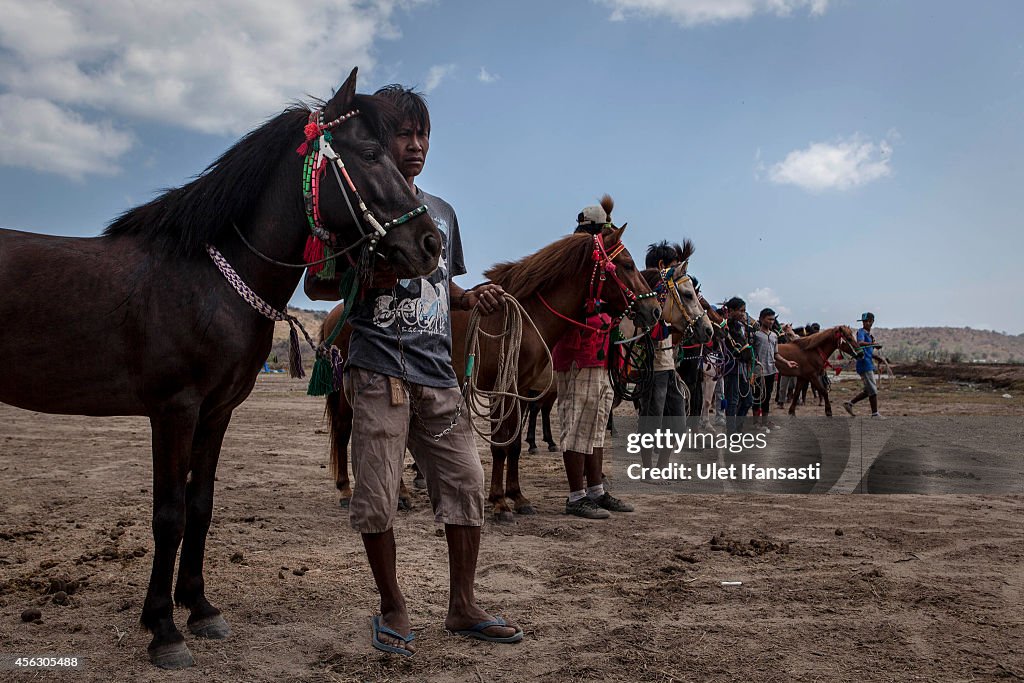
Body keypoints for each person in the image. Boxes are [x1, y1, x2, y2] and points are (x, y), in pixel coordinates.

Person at [306, 85, 520, 655]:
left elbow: (438, 278)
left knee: (467, 485)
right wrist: (365, 282)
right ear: (381, 140)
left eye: (423, 135)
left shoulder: (442, 213)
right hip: (377, 371)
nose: (417, 145)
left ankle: (463, 605)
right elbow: (315, 282)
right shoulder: (357, 203)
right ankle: (393, 606)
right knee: (377, 495)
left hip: (437, 374)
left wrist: (472, 298)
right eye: (405, 134)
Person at [553, 203, 635, 519]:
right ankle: (576, 496)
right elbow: (570, 307)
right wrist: (601, 314)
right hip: (577, 354)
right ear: (598, 230)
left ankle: (596, 490)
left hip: (597, 356)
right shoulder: (574, 261)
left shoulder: (596, 260)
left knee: (596, 426)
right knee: (577, 426)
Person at [752, 308, 798, 429]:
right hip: (758, 372)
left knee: (767, 398)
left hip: (771, 370)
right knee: (758, 397)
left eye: (773, 319)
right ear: (762, 319)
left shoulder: (774, 336)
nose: (771, 322)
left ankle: (765, 421)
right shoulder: (756, 335)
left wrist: (787, 362)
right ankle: (756, 422)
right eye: (769, 319)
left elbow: (775, 354)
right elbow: (751, 353)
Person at [722, 297, 755, 432]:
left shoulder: (741, 327)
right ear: (731, 311)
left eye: (744, 311)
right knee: (733, 400)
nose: (743, 314)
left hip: (742, 368)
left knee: (748, 400)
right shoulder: (726, 327)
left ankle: (738, 427)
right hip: (732, 368)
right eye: (741, 311)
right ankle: (731, 430)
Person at [844, 312, 884, 418]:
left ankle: (849, 404)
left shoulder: (870, 336)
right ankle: (875, 414)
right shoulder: (861, 332)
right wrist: (873, 344)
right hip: (864, 364)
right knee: (873, 390)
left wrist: (877, 358)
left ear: (872, 322)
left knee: (868, 390)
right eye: (864, 321)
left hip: (868, 363)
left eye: (867, 321)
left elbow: (868, 351)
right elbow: (860, 343)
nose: (865, 323)